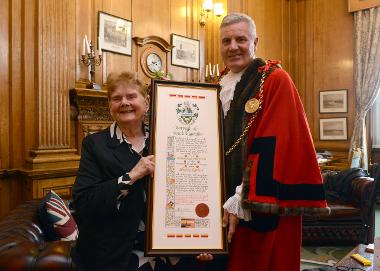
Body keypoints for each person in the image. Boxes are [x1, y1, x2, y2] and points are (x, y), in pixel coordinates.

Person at [71, 71, 214, 271]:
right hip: (117, 254)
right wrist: (130, 177)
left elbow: (187, 194)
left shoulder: (167, 140)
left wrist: (200, 239)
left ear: (146, 103)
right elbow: (84, 202)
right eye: (116, 98)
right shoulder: (95, 145)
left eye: (131, 96)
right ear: (109, 106)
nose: (124, 103)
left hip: (169, 249)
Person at [219, 13, 330, 271]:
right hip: (219, 196)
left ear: (255, 41)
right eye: (226, 41)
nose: (233, 46)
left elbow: (274, 144)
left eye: (240, 39)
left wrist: (240, 197)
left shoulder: (275, 79)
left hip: (256, 199)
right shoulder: (217, 84)